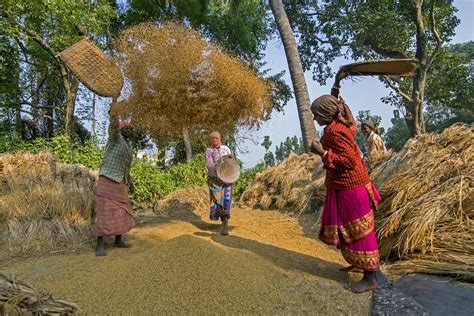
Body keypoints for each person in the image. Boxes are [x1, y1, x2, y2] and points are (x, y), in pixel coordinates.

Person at [310, 92, 381, 293]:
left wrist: (322, 153)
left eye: (317, 114)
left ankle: (370, 278)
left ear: (326, 113)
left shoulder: (334, 131)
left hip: (351, 187)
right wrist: (335, 96)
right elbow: (352, 119)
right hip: (348, 185)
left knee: (360, 231)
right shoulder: (343, 124)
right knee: (349, 229)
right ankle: (360, 263)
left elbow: (349, 161)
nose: (315, 119)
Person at [95, 105, 135, 256]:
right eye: (126, 128)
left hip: (121, 182)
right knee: (105, 212)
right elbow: (112, 125)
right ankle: (99, 245)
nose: (129, 131)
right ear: (120, 130)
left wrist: (130, 182)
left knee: (121, 212)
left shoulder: (128, 146)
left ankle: (118, 240)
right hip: (108, 178)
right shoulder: (114, 138)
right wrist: (114, 111)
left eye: (131, 129)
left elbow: (126, 167)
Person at [204, 131, 233, 235]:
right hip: (215, 179)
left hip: (227, 179)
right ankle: (222, 215)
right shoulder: (209, 151)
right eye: (213, 139)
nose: (215, 140)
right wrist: (218, 173)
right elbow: (210, 166)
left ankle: (225, 226)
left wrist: (229, 162)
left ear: (220, 138)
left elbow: (231, 162)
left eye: (217, 138)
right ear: (210, 140)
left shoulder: (226, 149)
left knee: (226, 200)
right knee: (217, 201)